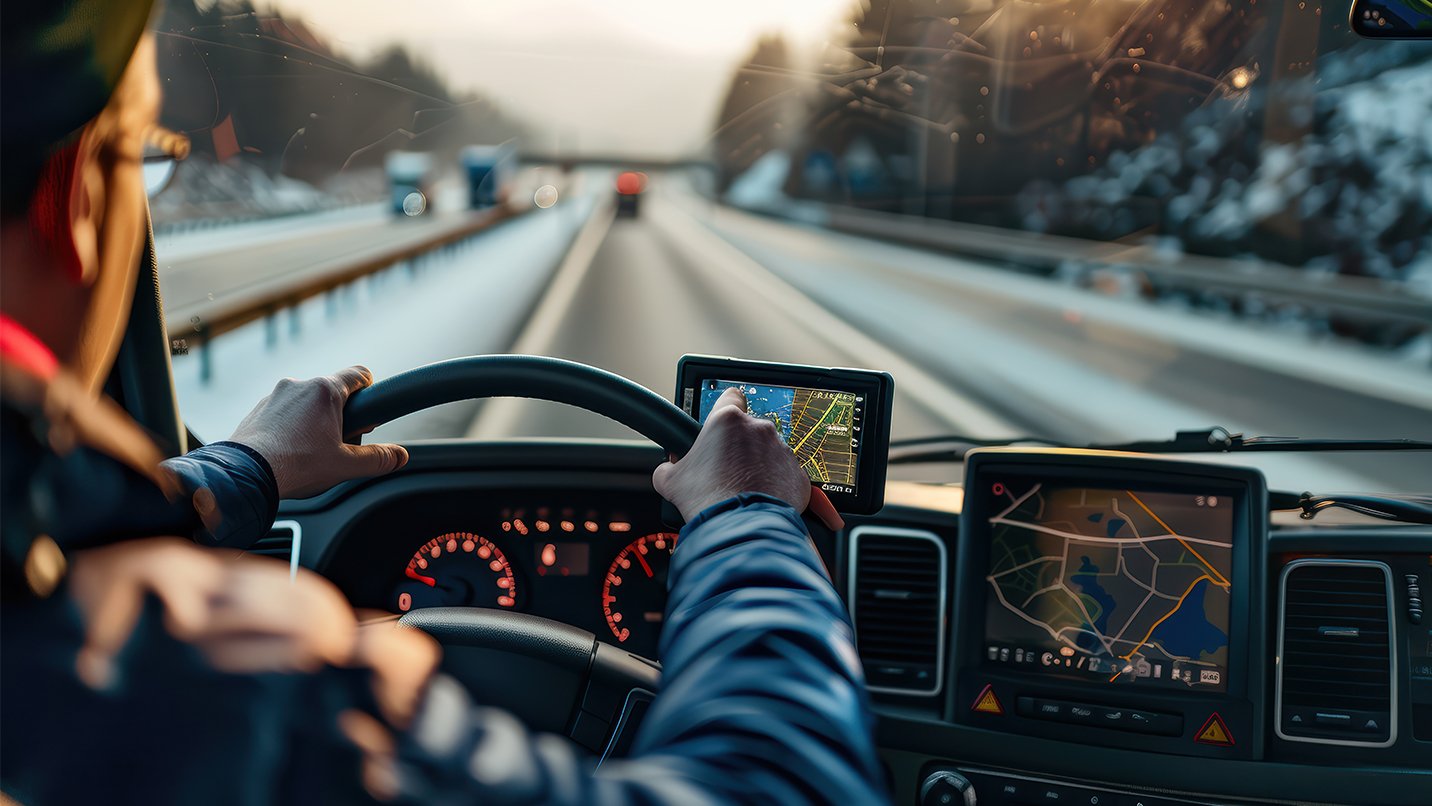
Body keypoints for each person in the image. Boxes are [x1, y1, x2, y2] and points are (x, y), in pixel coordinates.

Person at [0, 3, 888, 804]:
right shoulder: (204, 694)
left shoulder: (55, 605)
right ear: (68, 197)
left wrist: (237, 471)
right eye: (138, 159)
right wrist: (743, 519)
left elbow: (58, 533)